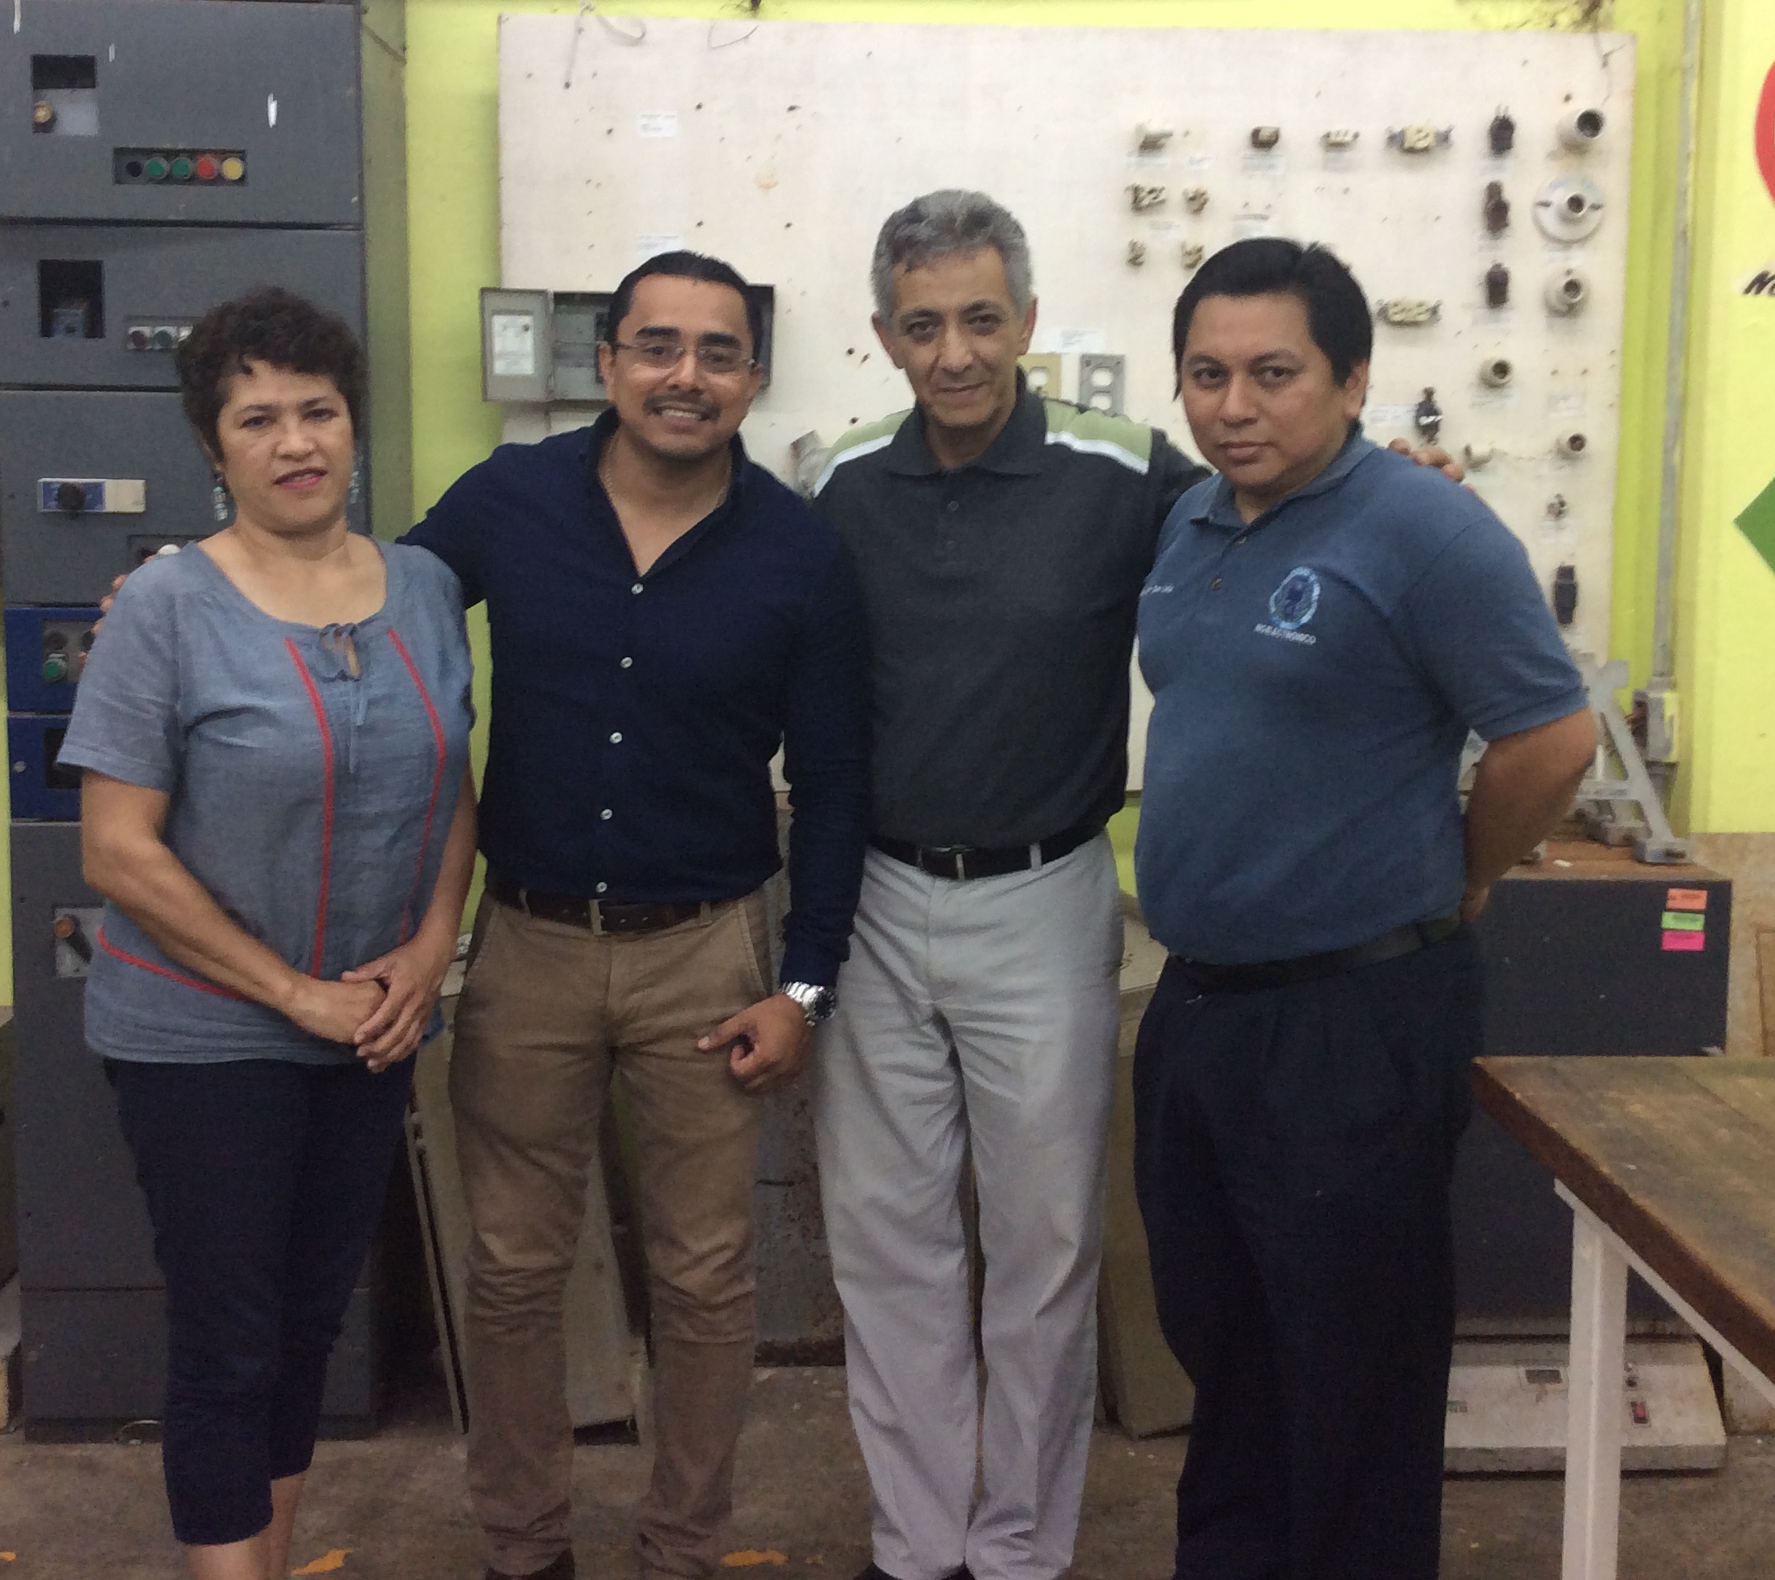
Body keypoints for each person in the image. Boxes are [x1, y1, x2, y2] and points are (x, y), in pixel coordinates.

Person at [804, 194, 1459, 1580]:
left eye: (982, 318)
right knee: (887, 1243)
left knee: (1043, 1247)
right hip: (875, 900)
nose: (956, 351)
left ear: (1029, 322)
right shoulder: (841, 482)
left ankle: (1018, 1550)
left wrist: (1393, 484)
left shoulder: (1122, 474)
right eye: (923, 325)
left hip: (1044, 895)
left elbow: (1273, 514)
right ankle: (916, 1546)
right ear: (884, 336)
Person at [1131, 238, 1596, 1580]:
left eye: (1274, 374)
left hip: (1353, 1014)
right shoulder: (1193, 520)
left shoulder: (1425, 531)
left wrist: (1467, 872)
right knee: (1223, 1339)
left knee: (1354, 1364)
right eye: (1207, 375)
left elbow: (1552, 738)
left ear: (1351, 379)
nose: (1236, 406)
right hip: (1201, 1004)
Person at [403, 251, 870, 1580]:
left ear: (753, 380)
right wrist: (200, 588)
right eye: (657, 345)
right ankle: (523, 1546)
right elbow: (369, 608)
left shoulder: (801, 555)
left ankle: (680, 1550)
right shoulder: (510, 500)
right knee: (511, 1270)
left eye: (719, 352)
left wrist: (805, 986)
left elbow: (835, 786)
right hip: (528, 947)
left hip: (708, 960)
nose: (686, 375)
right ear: (607, 361)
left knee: (707, 1280)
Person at [63, 287, 478, 1580]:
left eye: (319, 411)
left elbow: (454, 786)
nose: (295, 442)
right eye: (258, 420)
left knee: (307, 1328)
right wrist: (295, 995)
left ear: (353, 425)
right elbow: (116, 850)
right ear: (213, 445)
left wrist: (428, 952)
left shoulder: (423, 588)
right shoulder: (165, 607)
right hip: (203, 1036)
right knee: (229, 1339)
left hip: (369, 1027)